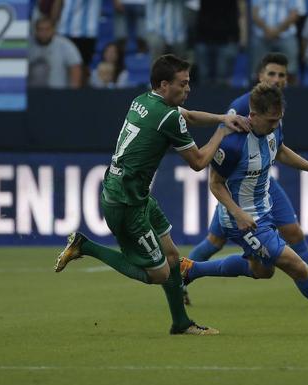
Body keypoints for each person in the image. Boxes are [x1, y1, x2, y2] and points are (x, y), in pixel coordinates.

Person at [54, 55, 250, 336]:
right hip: (125, 204)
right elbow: (198, 162)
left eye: (188, 83)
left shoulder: (145, 100)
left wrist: (222, 117)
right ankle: (86, 246)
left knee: (171, 257)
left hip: (134, 194)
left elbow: (190, 115)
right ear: (164, 84)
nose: (188, 89)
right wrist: (221, 131)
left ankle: (180, 323)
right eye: (182, 84)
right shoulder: (167, 117)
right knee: (158, 273)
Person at [182, 84, 308, 329]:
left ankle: (192, 269)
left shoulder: (274, 129)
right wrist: (239, 214)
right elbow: (215, 184)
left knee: (263, 271)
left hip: (264, 211)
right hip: (242, 220)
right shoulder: (232, 145)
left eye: (279, 119)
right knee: (298, 268)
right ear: (253, 116)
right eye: (271, 120)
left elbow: (280, 151)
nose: (275, 125)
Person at [182, 53, 308, 303]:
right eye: (272, 74)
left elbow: (278, 147)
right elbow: (224, 143)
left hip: (264, 182)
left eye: (281, 75)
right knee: (215, 240)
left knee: (294, 233)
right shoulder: (243, 106)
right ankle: (183, 275)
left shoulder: (276, 105)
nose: (277, 79)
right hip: (239, 184)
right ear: (260, 76)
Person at [28, 17, 83, 89]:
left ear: (53, 30)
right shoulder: (27, 45)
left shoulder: (65, 44)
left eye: (47, 29)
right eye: (40, 29)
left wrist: (73, 93)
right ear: (35, 30)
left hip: (58, 93)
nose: (44, 33)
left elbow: (75, 67)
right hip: (31, 93)